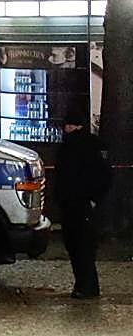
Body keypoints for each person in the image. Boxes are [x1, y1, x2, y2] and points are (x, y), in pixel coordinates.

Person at [54, 108, 112, 299]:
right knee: (83, 247)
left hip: (77, 203)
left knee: (78, 246)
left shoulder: (72, 147)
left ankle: (84, 286)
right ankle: (88, 286)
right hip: (82, 203)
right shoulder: (91, 145)